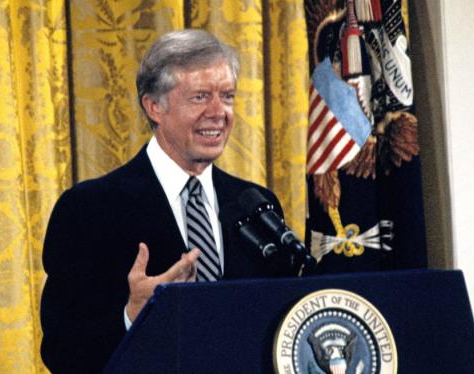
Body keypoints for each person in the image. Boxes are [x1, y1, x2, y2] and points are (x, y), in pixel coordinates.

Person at [40, 29, 294, 373]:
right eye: (200, 97)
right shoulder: (89, 210)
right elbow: (62, 350)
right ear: (154, 106)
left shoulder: (256, 205)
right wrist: (133, 315)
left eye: (228, 96)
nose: (219, 112)